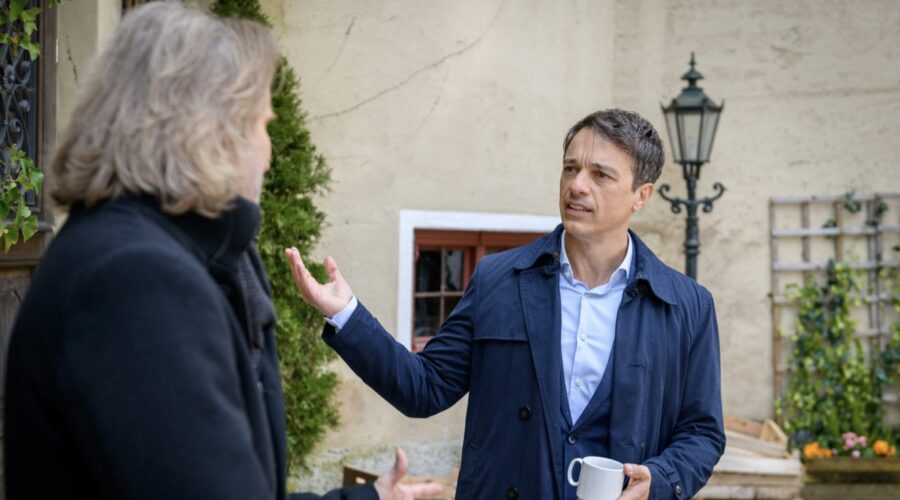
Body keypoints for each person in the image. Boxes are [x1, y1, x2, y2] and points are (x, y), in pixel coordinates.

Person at [3, 4, 440, 500]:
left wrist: (369, 497)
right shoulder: (135, 282)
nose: (269, 152)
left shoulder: (142, 253)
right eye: (262, 124)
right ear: (213, 132)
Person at [286, 109, 726, 500]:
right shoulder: (499, 279)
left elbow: (703, 432)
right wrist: (347, 314)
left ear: (641, 195)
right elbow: (425, 387)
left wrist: (661, 478)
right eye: (570, 168)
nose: (577, 185)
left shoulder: (688, 306)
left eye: (600, 175)